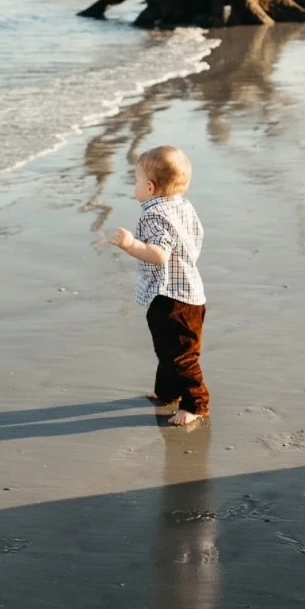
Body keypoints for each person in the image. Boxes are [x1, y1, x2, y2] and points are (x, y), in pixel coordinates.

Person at [110, 146, 209, 428]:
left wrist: (131, 245)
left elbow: (159, 254)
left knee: (181, 355)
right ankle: (167, 391)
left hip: (173, 296)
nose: (135, 186)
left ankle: (196, 404)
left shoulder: (154, 215)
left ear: (150, 187)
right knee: (168, 348)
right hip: (189, 291)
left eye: (137, 181)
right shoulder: (183, 206)